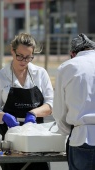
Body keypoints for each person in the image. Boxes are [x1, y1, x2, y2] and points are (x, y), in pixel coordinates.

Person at [0, 33, 53, 170]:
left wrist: (33, 113)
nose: (24, 61)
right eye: (20, 56)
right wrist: (4, 116)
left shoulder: (40, 74)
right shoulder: (1, 76)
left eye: (28, 57)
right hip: (10, 140)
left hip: (36, 139)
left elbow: (51, 104)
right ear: (12, 50)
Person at [52, 33, 95, 170]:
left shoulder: (67, 67)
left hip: (83, 137)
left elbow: (59, 112)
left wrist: (68, 131)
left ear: (72, 53)